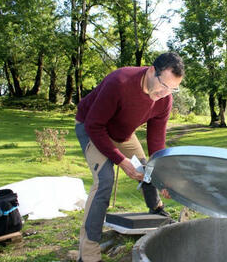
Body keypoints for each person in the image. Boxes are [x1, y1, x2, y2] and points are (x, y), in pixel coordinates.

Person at [74, 52, 184, 262]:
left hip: (123, 134)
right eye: (163, 84)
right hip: (92, 128)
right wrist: (121, 162)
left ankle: (157, 210)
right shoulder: (120, 82)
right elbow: (94, 125)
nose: (165, 92)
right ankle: (87, 255)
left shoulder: (164, 99)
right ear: (152, 71)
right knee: (104, 181)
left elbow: (156, 142)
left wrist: (163, 177)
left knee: (149, 168)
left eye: (173, 88)